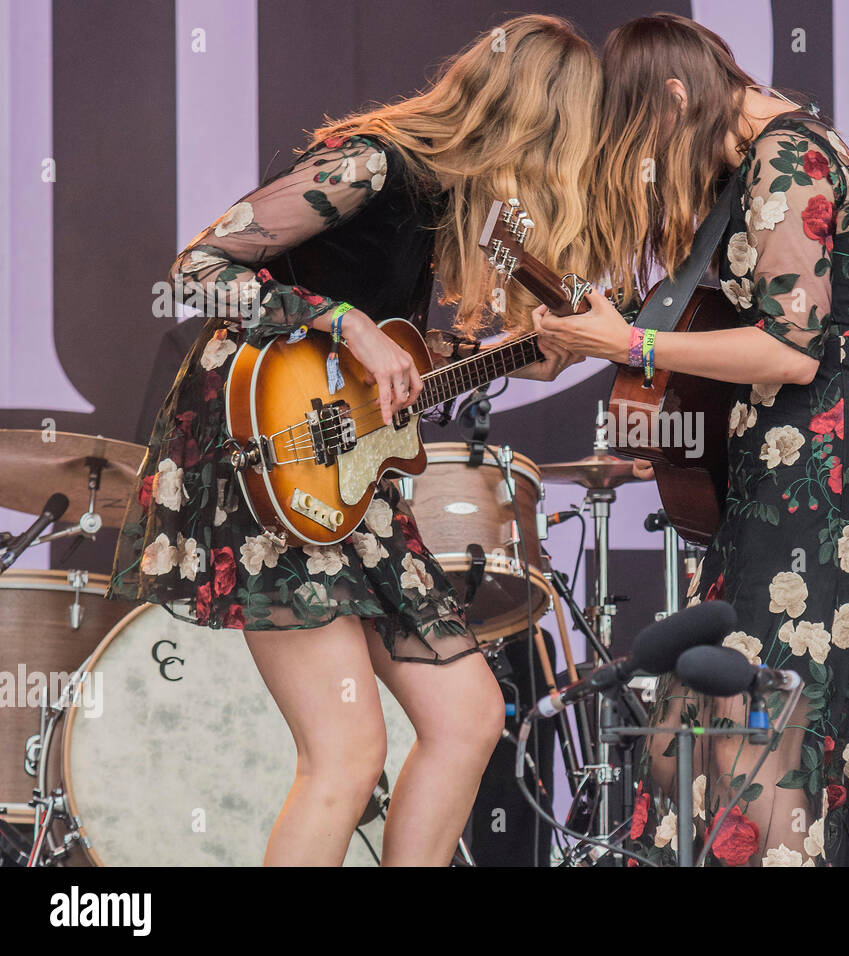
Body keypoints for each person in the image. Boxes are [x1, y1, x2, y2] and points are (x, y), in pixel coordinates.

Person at [107, 14, 596, 866]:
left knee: (470, 716)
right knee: (346, 752)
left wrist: (520, 360)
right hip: (264, 454)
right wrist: (343, 323)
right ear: (532, 123)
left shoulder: (443, 202)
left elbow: (400, 368)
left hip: (346, 475)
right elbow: (197, 272)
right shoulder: (371, 161)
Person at [533, 13, 849, 866]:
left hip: (823, 478)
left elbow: (788, 347)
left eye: (645, 135)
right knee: (724, 707)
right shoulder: (767, 154)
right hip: (786, 469)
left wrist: (630, 346)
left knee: (767, 716)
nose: (652, 159)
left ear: (676, 95)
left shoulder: (788, 156)